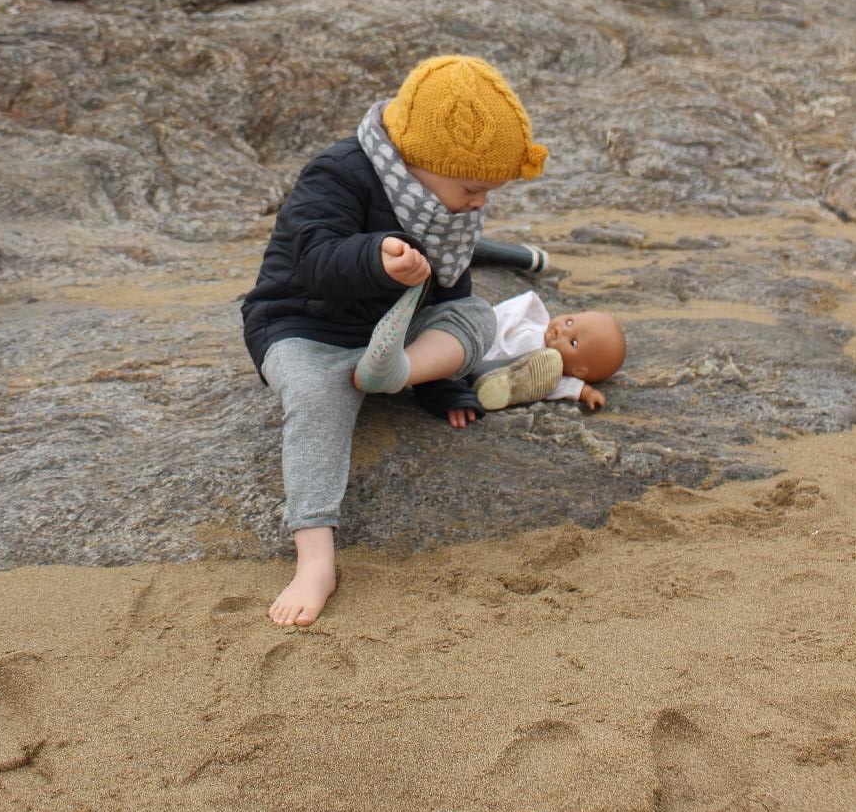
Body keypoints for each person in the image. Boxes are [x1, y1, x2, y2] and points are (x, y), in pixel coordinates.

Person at [241, 54, 549, 628]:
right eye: (472, 188)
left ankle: (401, 373)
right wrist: (376, 259)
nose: (480, 202)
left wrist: (444, 386)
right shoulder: (338, 173)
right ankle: (315, 558)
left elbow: (451, 288)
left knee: (478, 320)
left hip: (394, 337)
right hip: (307, 326)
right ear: (418, 161)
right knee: (314, 396)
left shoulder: (447, 206)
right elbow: (310, 260)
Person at [472, 291, 626, 413]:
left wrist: (587, 393)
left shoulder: (548, 371)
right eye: (569, 322)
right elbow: (504, 315)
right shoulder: (535, 323)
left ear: (578, 370)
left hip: (484, 362)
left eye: (573, 342)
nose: (562, 330)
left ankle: (493, 385)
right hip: (483, 334)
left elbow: (562, 385)